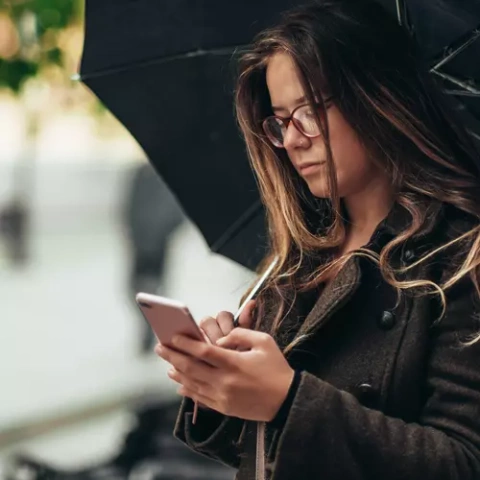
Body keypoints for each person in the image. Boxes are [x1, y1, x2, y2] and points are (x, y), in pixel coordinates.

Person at [155, 1, 480, 479]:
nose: (293, 140)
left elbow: (463, 463)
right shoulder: (299, 257)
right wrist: (224, 381)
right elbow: (261, 452)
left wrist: (287, 401)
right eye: (281, 122)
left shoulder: (460, 254)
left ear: (377, 98)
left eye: (308, 111)